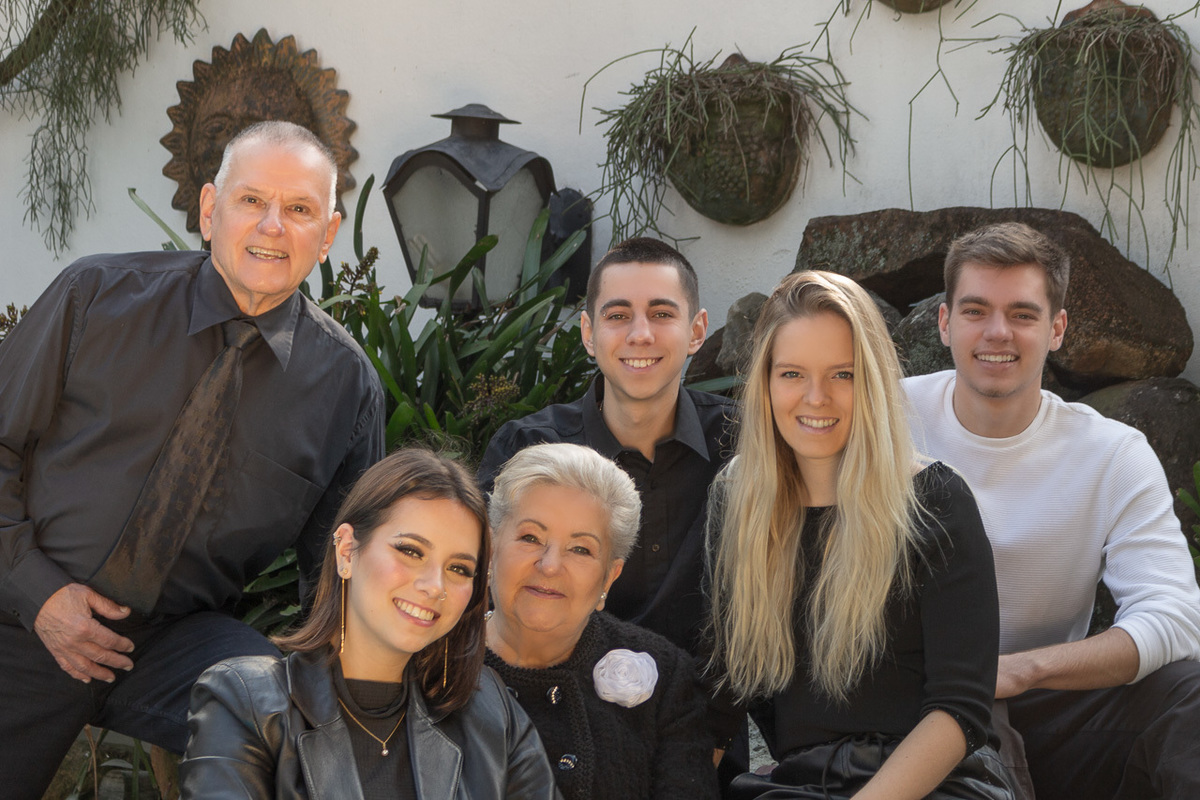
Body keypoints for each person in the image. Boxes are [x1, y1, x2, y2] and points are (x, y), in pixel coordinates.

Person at [0, 120, 383, 797]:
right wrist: (38, 591)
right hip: (21, 613)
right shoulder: (95, 298)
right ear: (209, 211)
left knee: (304, 733)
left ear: (326, 236)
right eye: (250, 201)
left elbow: (339, 573)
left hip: (175, 647)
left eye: (299, 210)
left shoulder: (345, 387)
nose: (272, 226)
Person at [903, 222, 1200, 800]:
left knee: (1193, 694)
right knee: (965, 715)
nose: (997, 332)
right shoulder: (885, 418)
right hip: (910, 703)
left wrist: (1022, 669)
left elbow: (1175, 619)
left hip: (1048, 706)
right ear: (944, 322)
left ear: (1057, 328)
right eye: (975, 311)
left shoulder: (1112, 454)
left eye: (1022, 313)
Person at [708, 271, 1014, 800]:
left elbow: (959, 711)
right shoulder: (736, 500)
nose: (816, 397)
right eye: (792, 374)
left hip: (935, 784)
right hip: (801, 784)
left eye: (842, 375)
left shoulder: (936, 501)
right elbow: (728, 687)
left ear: (871, 381)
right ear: (765, 382)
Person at [180, 449, 558, 798]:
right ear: (346, 550)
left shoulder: (492, 712)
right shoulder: (245, 702)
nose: (434, 586)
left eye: (459, 568)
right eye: (411, 551)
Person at [478, 237, 734, 659]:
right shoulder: (525, 446)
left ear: (697, 331)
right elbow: (484, 594)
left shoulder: (742, 441)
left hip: (707, 716)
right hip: (556, 708)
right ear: (589, 333)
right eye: (618, 315)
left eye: (661, 313)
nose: (640, 334)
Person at [484, 442, 719, 800]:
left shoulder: (668, 680)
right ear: (491, 547)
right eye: (531, 537)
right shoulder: (427, 661)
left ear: (610, 576)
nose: (549, 565)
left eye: (581, 549)